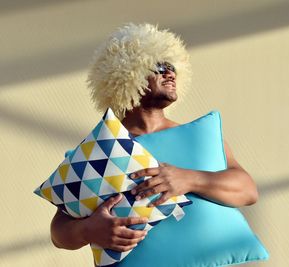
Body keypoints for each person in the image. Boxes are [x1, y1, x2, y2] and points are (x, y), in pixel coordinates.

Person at [51, 23, 258, 255]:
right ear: (125, 73)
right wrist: (88, 230)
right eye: (159, 66)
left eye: (172, 68)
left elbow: (248, 190)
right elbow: (58, 232)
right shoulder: (103, 149)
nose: (170, 73)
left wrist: (189, 179)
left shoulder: (199, 137)